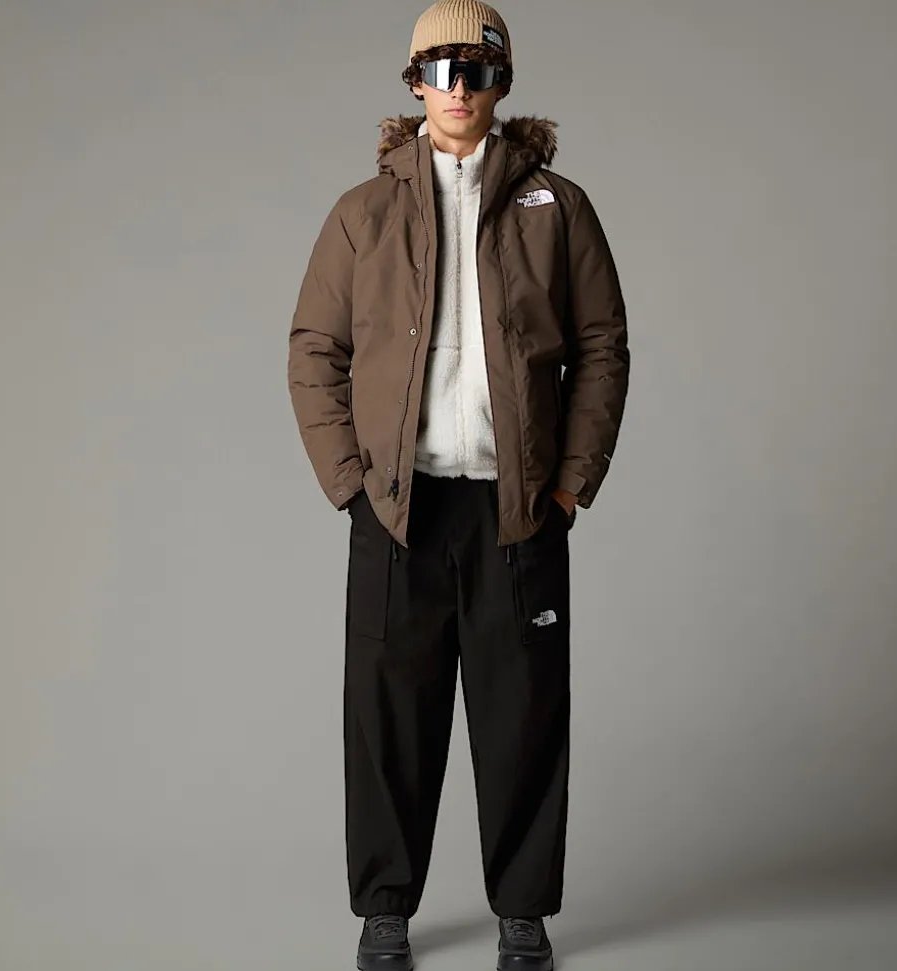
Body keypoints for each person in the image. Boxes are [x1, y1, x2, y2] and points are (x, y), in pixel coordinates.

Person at [287, 1, 629, 967]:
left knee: (524, 714)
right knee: (388, 716)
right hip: (398, 511)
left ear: (500, 84)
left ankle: (523, 914)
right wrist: (351, 484)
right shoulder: (363, 212)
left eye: (475, 71)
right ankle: (384, 912)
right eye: (440, 71)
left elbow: (602, 347)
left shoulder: (557, 207)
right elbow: (313, 349)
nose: (458, 89)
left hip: (517, 509)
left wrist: (569, 484)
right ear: (414, 85)